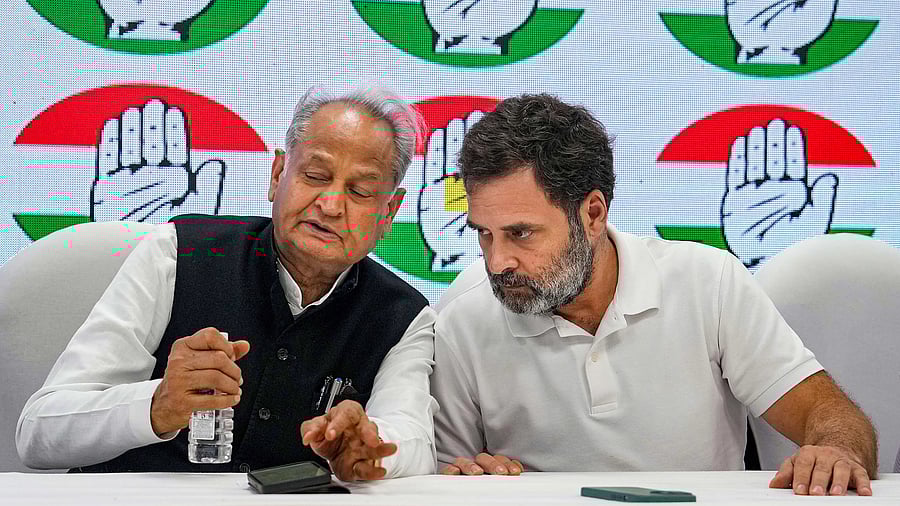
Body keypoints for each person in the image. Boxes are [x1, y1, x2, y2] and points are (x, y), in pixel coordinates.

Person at [431, 94, 878, 496]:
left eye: (521, 233)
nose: (497, 262)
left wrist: (836, 451)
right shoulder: (463, 318)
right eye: (484, 233)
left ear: (592, 214)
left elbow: (830, 414)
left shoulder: (709, 281)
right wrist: (462, 479)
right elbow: (443, 478)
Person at [16, 85, 437, 481]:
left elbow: (414, 440)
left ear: (389, 212)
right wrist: (157, 406)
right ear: (278, 175)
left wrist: (372, 444)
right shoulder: (178, 253)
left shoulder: (403, 316)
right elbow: (37, 432)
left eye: (360, 191)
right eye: (314, 175)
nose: (330, 205)